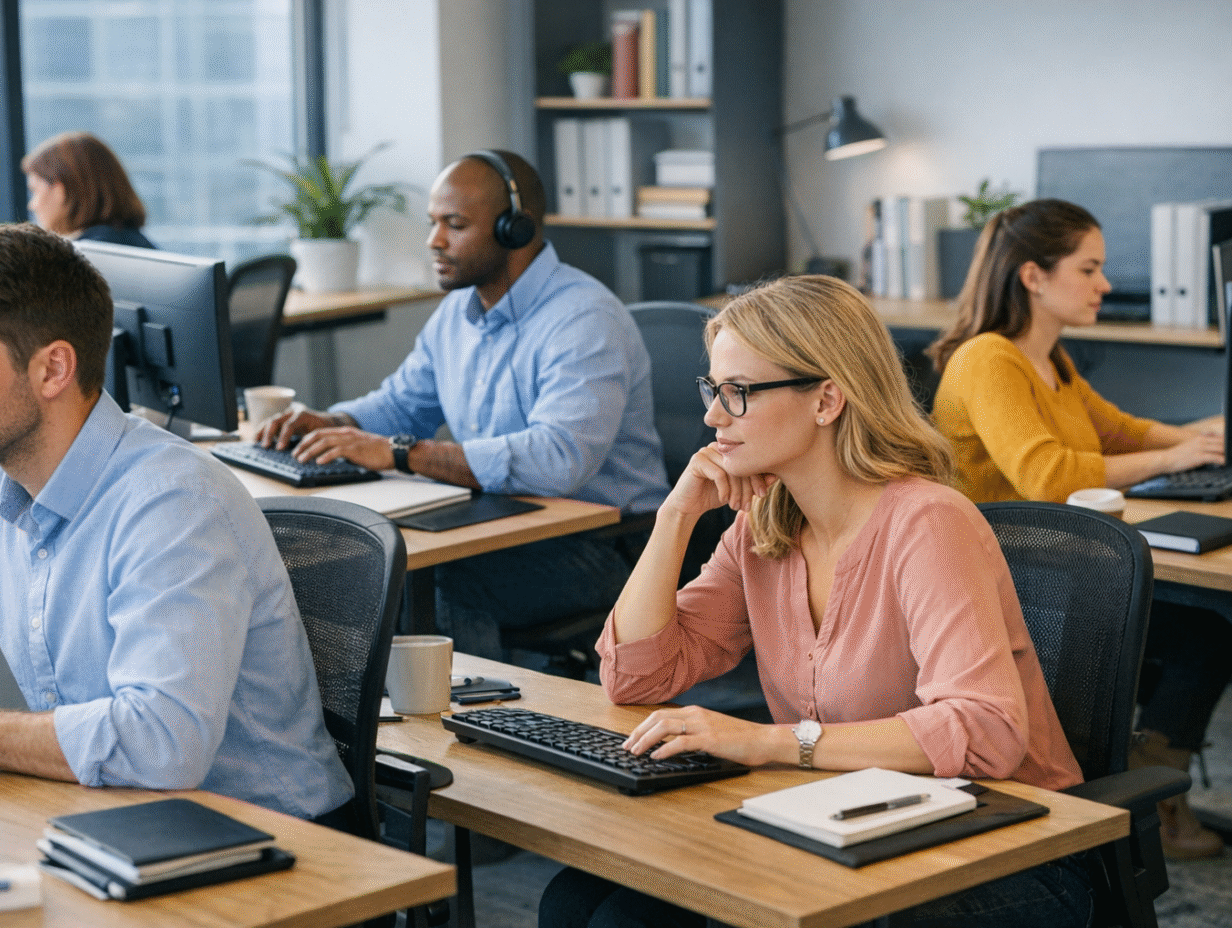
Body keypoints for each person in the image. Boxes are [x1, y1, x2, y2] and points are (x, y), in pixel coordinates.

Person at [540, 275, 1093, 928]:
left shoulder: (928, 523)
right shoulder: (764, 524)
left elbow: (986, 732)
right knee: (575, 900)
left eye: (738, 393)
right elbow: (636, 676)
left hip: (1005, 849)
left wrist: (771, 743)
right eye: (712, 391)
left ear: (827, 399)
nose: (713, 416)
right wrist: (675, 517)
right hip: (849, 823)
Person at [0, 223, 352, 823]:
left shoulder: (171, 502)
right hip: (110, 818)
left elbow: (162, 743)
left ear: (53, 369)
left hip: (272, 843)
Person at [257, 149, 670, 659]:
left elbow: (558, 458)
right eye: (434, 223)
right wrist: (337, 422)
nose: (434, 241)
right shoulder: (459, 312)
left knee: (431, 578)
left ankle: (468, 726)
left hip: (605, 545)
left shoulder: (583, 320)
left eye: (454, 225)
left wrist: (402, 453)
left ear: (514, 229)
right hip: (509, 521)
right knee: (346, 557)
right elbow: (404, 403)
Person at [930, 198, 1230, 860]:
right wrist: (1174, 457)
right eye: (1089, 269)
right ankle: (1152, 785)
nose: (1104, 285)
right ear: (1033, 276)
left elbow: (1122, 428)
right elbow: (1047, 475)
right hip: (1015, 587)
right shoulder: (990, 359)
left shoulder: (1051, 360)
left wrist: (1207, 436)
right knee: (1208, 628)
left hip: (1062, 567)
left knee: (1210, 626)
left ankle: (1151, 771)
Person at [22, 131, 156, 249]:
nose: (32, 205)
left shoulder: (80, 259)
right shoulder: (138, 245)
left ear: (60, 191)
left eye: (35, 191)